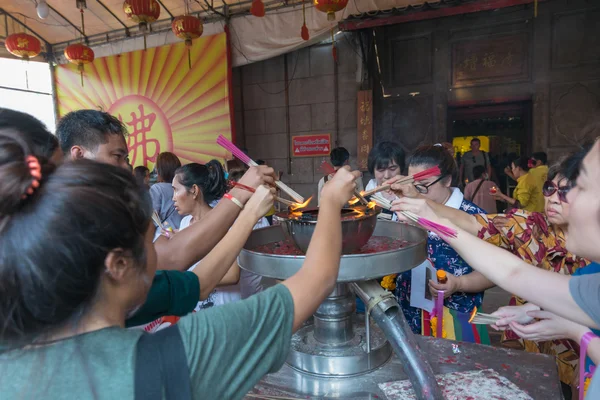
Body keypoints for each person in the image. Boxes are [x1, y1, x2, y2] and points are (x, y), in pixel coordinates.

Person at [0, 125, 363, 398]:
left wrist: (249, 213)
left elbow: (199, 282)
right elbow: (315, 279)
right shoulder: (184, 351)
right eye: (151, 244)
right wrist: (330, 202)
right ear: (119, 265)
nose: (161, 252)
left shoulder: (11, 360)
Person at [391, 142, 596, 396]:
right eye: (549, 188)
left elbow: (515, 273)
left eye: (572, 191)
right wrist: (534, 310)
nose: (554, 198)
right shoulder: (533, 227)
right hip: (532, 351)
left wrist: (575, 331)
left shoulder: (589, 269)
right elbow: (513, 270)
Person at [54, 109, 278, 323]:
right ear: (79, 155)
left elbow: (177, 261)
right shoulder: (66, 222)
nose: (126, 168)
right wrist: (244, 201)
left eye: (126, 159)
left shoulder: (84, 210)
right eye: (117, 156)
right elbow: (176, 261)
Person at [393, 145, 489, 344]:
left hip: (454, 317)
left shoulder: (473, 219)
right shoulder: (405, 210)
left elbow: (495, 273)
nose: (416, 192)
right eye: (412, 184)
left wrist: (459, 283)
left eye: (423, 185)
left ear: (447, 179)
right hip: (408, 313)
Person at [172, 161, 241, 308]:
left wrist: (185, 279)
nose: (173, 198)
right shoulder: (184, 223)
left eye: (176, 190)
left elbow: (233, 275)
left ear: (194, 191)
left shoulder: (222, 223)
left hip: (224, 311)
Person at [364, 141, 406, 220]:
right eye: (381, 170)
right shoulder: (370, 189)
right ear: (373, 171)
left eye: (392, 169)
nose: (387, 176)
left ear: (401, 168)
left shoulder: (409, 190)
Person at [150, 152, 184, 230]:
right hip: (183, 231)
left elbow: (153, 217)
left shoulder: (156, 189)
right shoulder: (184, 188)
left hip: (165, 234)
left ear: (159, 170)